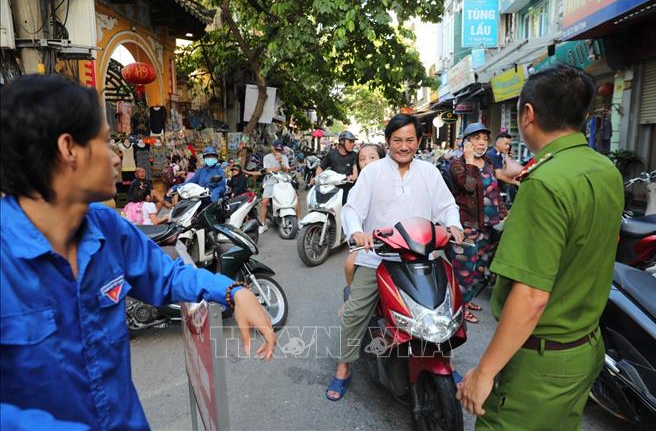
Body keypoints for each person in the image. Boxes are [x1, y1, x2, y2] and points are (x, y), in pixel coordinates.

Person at [0, 75, 276, 430]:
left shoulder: (107, 228)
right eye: (105, 142)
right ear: (69, 149)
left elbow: (168, 275)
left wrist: (233, 291)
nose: (117, 157)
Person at [456, 65, 624, 430]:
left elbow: (532, 296)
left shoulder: (544, 182)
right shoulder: (605, 169)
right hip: (586, 347)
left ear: (528, 115)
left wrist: (483, 373)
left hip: (542, 365)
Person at [326, 113, 465, 401]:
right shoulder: (373, 173)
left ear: (419, 141)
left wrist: (454, 225)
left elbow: (447, 206)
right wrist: (356, 232)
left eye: (410, 140)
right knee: (355, 313)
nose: (404, 146)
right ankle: (343, 368)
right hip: (378, 258)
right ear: (387, 142)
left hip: (422, 258)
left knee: (444, 309)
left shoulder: (429, 172)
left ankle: (446, 363)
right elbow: (353, 210)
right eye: (397, 140)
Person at [449, 123, 508, 324]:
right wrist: (469, 160)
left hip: (488, 226)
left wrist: (503, 212)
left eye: (484, 139)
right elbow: (469, 186)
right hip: (468, 226)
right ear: (466, 143)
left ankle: (467, 300)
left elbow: (494, 191)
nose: (481, 143)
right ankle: (459, 307)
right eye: (476, 139)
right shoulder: (458, 165)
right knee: (464, 268)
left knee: (479, 269)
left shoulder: (489, 162)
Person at [342, 144, 385, 296]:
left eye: (372, 158)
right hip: (368, 243)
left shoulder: (392, 183)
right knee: (349, 264)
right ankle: (352, 295)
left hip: (396, 241)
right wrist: (357, 233)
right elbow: (351, 212)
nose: (367, 162)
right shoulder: (357, 188)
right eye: (362, 159)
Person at [259, 141, 299, 234]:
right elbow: (267, 170)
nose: (278, 151)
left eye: (279, 150)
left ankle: (298, 221)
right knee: (265, 201)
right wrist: (278, 169)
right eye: (276, 149)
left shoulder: (284, 157)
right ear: (273, 148)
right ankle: (263, 224)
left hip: (283, 180)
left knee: (295, 197)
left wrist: (281, 163)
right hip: (271, 180)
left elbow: (287, 170)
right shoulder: (267, 157)